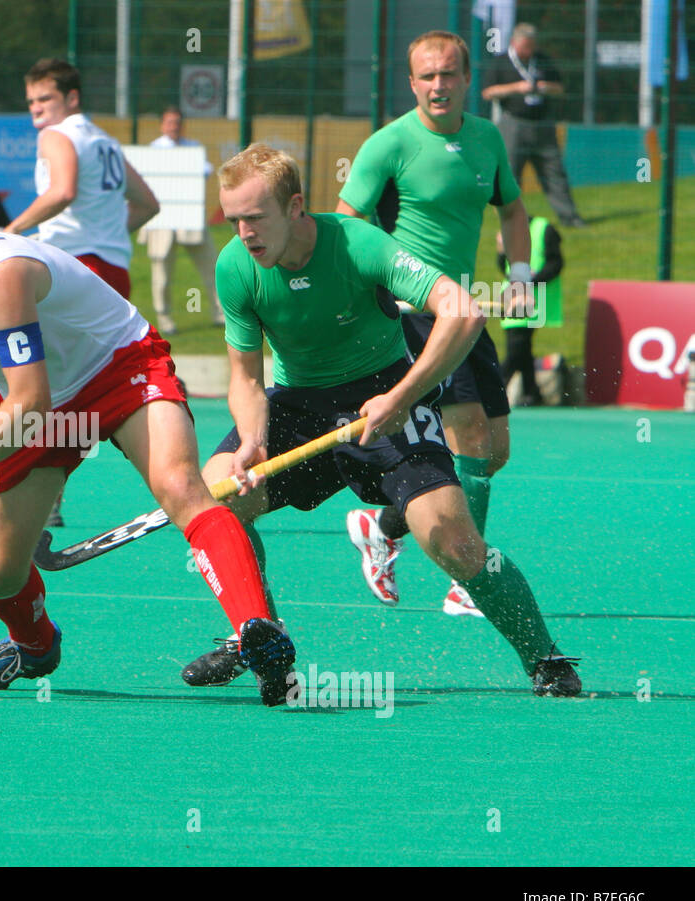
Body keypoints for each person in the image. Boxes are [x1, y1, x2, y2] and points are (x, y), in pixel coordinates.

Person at [0, 165, 291, 704]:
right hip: (34, 404)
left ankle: (260, 633)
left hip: (117, 369)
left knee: (181, 487)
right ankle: (32, 645)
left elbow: (30, 401)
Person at [178, 143, 580, 698]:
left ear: (295, 206)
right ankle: (258, 632)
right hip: (297, 407)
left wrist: (399, 397)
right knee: (218, 498)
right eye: (233, 220)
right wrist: (250, 442)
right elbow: (246, 378)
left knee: (455, 542)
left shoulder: (358, 244)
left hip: (387, 397)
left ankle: (545, 659)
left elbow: (462, 309)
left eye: (255, 217)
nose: (244, 233)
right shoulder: (234, 267)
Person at [335, 30, 535, 617]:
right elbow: (347, 225)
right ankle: (467, 577)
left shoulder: (486, 138)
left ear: (468, 79)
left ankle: (382, 525)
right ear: (412, 81)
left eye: (449, 74)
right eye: (427, 75)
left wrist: (519, 273)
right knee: (468, 435)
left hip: (464, 312)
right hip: (412, 318)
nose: (438, 85)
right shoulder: (388, 145)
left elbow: (515, 207)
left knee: (493, 451)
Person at [4, 58, 160, 300]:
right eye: (31, 101)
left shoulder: (55, 134)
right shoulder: (106, 141)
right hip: (116, 272)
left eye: (45, 99)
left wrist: (13, 229)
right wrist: (106, 235)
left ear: (72, 98)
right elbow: (148, 205)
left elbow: (63, 192)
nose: (35, 108)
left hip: (74, 266)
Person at [481, 23, 586, 229]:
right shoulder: (501, 62)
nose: (528, 52)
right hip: (514, 124)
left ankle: (569, 217)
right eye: (524, 47)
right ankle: (510, 219)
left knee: (554, 171)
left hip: (542, 125)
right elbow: (488, 92)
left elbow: (560, 88)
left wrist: (546, 88)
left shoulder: (543, 61)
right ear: (514, 43)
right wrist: (516, 88)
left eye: (531, 47)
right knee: (510, 173)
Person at [139, 106, 226, 336]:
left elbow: (206, 170)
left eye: (177, 122)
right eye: (169, 122)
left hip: (189, 218)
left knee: (212, 267)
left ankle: (221, 313)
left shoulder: (193, 148)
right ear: (162, 125)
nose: (173, 126)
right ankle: (164, 318)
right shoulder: (154, 150)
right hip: (162, 219)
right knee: (162, 274)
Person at [497, 216, 562, 405]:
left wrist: (530, 282)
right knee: (521, 347)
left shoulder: (544, 228)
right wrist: (501, 253)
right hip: (512, 297)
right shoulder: (505, 228)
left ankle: (493, 389)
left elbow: (556, 263)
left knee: (517, 348)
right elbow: (503, 264)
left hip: (533, 298)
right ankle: (532, 393)